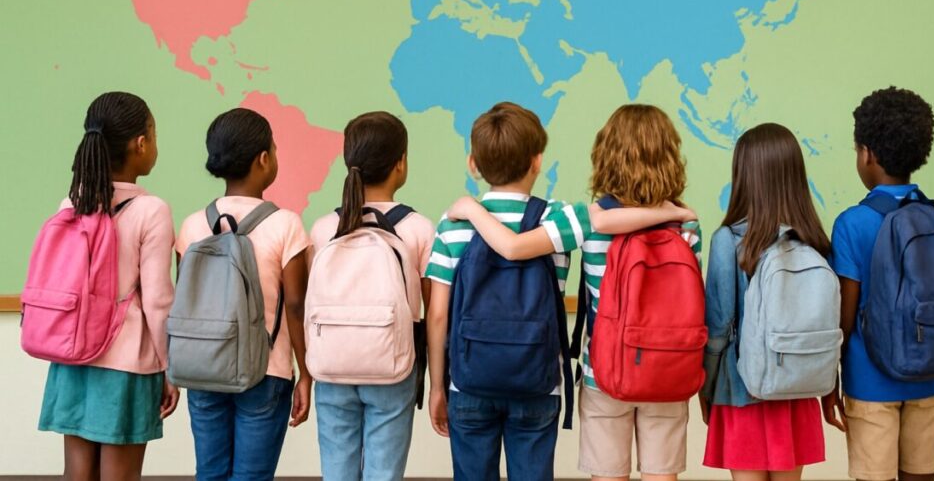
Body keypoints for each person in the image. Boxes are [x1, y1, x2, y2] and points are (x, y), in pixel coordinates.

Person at [447, 103, 701, 481]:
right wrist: (674, 214)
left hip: (605, 373)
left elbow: (518, 246)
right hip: (669, 372)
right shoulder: (687, 227)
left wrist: (471, 208)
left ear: (605, 156)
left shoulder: (589, 221)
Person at [37, 91, 179, 480]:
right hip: (127, 363)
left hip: (72, 357)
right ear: (141, 143)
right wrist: (169, 365)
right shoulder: (152, 210)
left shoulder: (72, 202)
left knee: (77, 474)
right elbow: (158, 301)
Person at [821, 87, 934, 481]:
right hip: (929, 378)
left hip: (870, 382)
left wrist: (829, 381)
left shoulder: (852, 224)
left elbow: (845, 320)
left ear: (868, 154)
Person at [175, 108, 312, 481]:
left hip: (202, 369)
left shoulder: (192, 226)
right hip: (265, 370)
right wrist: (306, 373)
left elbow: (183, 305)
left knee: (210, 473)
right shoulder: (285, 224)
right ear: (263, 159)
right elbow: (295, 304)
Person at [309, 111, 435, 481]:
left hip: (332, 366)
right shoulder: (418, 229)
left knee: (336, 471)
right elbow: (433, 311)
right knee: (385, 472)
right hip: (394, 366)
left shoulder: (324, 228)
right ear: (401, 164)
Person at [701, 122, 828, 480]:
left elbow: (719, 329)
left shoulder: (727, 240)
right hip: (797, 390)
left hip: (742, 390)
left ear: (743, 175)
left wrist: (706, 386)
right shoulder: (812, 240)